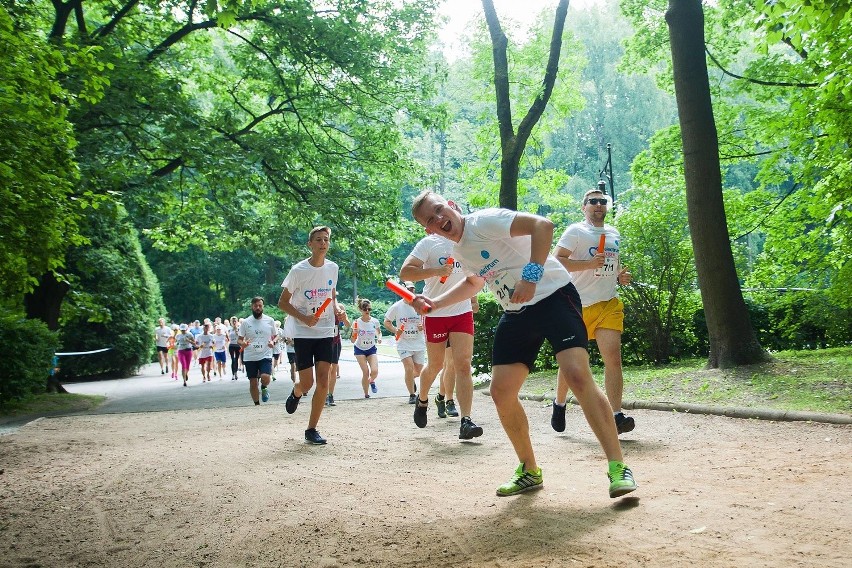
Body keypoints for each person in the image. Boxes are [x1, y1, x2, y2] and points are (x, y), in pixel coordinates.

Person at [408, 190, 637, 498]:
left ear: (451, 206)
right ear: (429, 230)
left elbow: (543, 225)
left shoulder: (483, 221)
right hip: (516, 309)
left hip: (554, 295)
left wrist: (531, 276)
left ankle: (618, 467)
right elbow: (475, 282)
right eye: (430, 220)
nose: (438, 219)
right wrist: (434, 304)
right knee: (501, 391)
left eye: (439, 210)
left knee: (577, 375)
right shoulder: (459, 249)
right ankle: (529, 470)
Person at [552, 188, 636, 435]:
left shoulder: (613, 233)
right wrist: (588, 264)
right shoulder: (575, 231)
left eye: (602, 201)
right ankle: (559, 404)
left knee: (614, 359)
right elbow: (556, 260)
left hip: (608, 303)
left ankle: (616, 415)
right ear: (584, 206)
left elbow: (612, 263)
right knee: (573, 364)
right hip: (577, 305)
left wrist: (620, 275)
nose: (598, 205)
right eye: (593, 202)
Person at [400, 233, 482, 440]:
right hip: (434, 311)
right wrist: (437, 270)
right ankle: (423, 399)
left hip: (461, 312)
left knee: (463, 364)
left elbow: (474, 276)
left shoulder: (467, 242)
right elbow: (406, 273)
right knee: (435, 365)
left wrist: (474, 298)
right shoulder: (429, 243)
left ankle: (466, 421)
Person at [277, 226, 342, 445]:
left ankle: (311, 429)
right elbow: (282, 303)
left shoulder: (333, 268)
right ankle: (296, 392)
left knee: (323, 380)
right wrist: (305, 319)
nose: (323, 243)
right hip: (304, 332)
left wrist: (338, 309)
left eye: (326, 240)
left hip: (325, 330)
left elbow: (331, 297)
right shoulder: (298, 271)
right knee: (307, 383)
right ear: (310, 244)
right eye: (318, 240)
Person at [384, 282, 425, 404]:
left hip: (419, 343)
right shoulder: (396, 307)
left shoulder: (420, 305)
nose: (410, 292)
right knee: (409, 368)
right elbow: (387, 322)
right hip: (403, 343)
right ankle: (412, 395)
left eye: (412, 289)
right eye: (408, 289)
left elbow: (429, 318)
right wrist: (396, 330)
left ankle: (410, 380)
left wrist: (423, 325)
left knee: (417, 372)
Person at [238, 297, 277, 405]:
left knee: (265, 377)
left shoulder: (270, 320)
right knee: (253, 382)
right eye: (255, 306)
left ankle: (264, 387)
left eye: (260, 306)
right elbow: (239, 340)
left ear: (263, 306)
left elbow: (276, 336)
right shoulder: (246, 322)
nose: (258, 308)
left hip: (265, 354)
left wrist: (273, 342)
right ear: (252, 307)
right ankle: (257, 404)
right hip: (250, 356)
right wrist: (243, 344)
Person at [351, 298, 382, 398]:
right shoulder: (356, 322)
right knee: (366, 371)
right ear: (361, 310)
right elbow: (352, 340)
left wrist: (379, 338)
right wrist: (354, 334)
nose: (367, 311)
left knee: (375, 371)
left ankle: (371, 381)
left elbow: (379, 332)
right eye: (365, 309)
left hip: (371, 348)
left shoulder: (374, 321)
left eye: (369, 309)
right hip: (359, 349)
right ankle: (366, 393)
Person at [326, 309, 350, 406]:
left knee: (333, 369)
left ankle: (330, 394)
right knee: (325, 369)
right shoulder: (319, 303)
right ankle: (323, 393)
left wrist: (343, 318)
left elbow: (348, 325)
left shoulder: (339, 308)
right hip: (323, 342)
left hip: (335, 342)